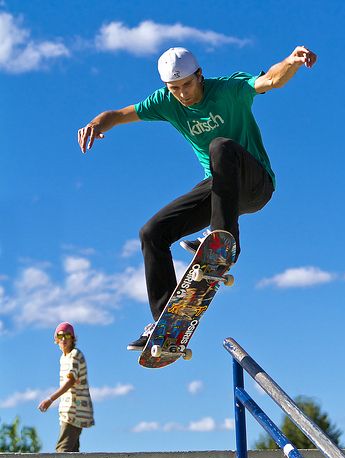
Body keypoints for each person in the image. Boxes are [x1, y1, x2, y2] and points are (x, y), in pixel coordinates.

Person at [77, 46, 317, 350]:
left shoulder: (229, 88)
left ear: (199, 75)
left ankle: (222, 241)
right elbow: (119, 115)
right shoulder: (165, 101)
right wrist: (98, 124)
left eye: (187, 85)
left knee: (220, 147)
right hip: (221, 190)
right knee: (152, 233)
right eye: (174, 89)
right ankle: (166, 323)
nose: (182, 94)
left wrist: (291, 61)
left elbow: (270, 80)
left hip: (256, 185)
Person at [38, 322, 94, 452]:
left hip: (74, 410)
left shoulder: (74, 355)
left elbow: (70, 381)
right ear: (56, 339)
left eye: (67, 335)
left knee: (62, 450)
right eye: (60, 335)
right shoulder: (64, 358)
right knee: (73, 450)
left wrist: (50, 399)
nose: (63, 339)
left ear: (73, 338)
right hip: (67, 409)